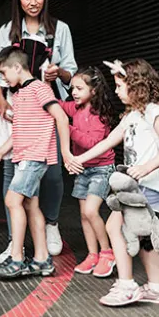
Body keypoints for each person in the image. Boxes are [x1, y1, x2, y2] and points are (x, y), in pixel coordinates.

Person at [66, 59, 159, 307]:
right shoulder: (132, 115)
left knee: (115, 228)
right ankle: (157, 288)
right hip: (135, 186)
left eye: (120, 85)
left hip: (148, 185)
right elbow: (107, 142)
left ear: (136, 85)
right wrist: (78, 159)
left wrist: (145, 168)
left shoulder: (155, 113)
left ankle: (127, 285)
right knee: (144, 237)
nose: (116, 91)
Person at [0, 0, 77, 262]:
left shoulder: (59, 29)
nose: (33, 2)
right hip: (16, 108)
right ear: (18, 0)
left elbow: (72, 71)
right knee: (12, 171)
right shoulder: (7, 31)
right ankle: (15, 240)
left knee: (50, 171)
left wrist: (58, 73)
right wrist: (2, 102)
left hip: (47, 105)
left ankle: (51, 224)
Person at [0, 46, 79, 278]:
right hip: (23, 157)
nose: (3, 78)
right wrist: (0, 152)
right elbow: (17, 132)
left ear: (18, 67)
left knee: (12, 200)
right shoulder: (19, 95)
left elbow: (60, 116)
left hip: (34, 158)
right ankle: (42, 260)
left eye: (4, 73)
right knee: (30, 205)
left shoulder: (39, 88)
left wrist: (66, 153)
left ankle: (17, 258)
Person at [58, 67, 118, 277]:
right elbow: (59, 107)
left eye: (79, 88)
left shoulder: (99, 115)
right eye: (73, 88)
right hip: (83, 169)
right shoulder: (76, 108)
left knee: (92, 211)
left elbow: (92, 143)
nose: (74, 92)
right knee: (84, 215)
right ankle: (92, 255)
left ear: (94, 91)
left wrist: (68, 128)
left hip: (101, 169)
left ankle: (107, 253)